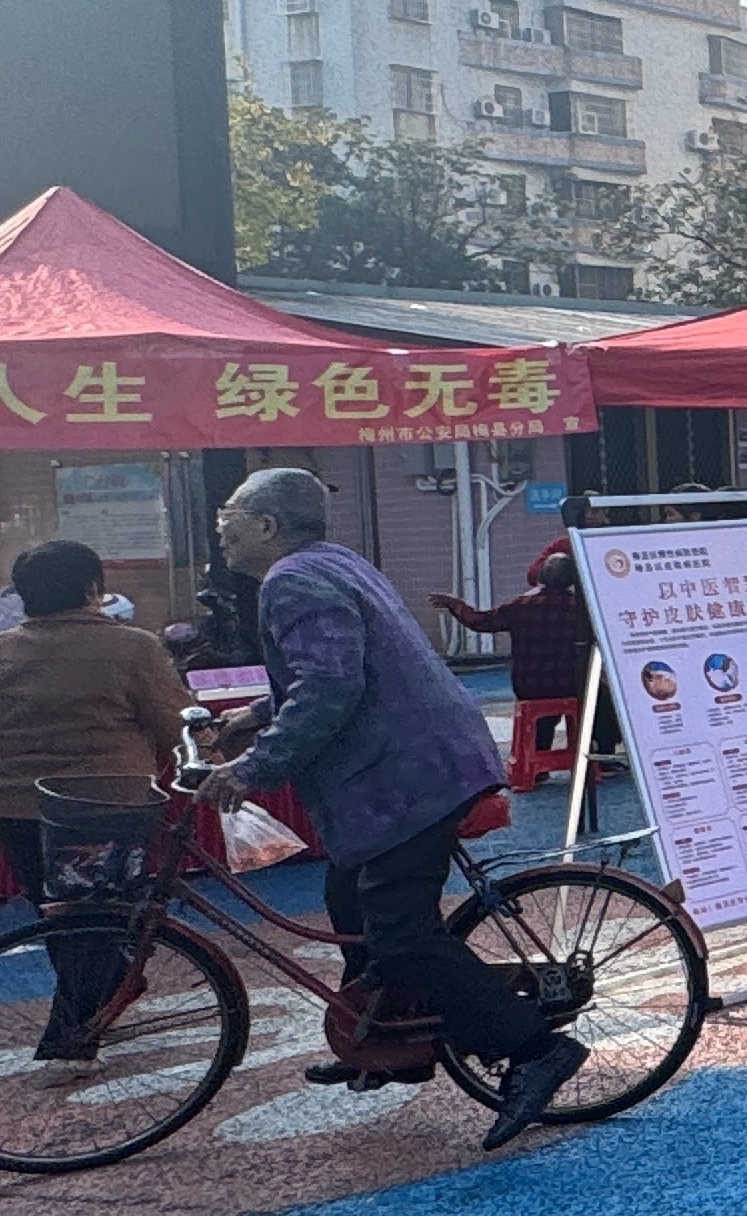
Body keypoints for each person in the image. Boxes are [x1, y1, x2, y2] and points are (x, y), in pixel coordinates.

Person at [195, 468, 584, 1146]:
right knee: (349, 898)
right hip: (420, 761)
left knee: (400, 931)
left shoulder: (292, 579)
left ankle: (532, 1049)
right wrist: (255, 716)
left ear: (266, 524)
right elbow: (334, 671)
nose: (220, 527)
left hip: (408, 776)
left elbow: (330, 685)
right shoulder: (333, 561)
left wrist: (253, 766)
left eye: (229, 512)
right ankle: (385, 1037)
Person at [0, 540, 193, 1050]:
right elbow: (174, 724)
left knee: (57, 918)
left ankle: (93, 1008)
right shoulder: (134, 647)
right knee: (101, 919)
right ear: (93, 589)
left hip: (21, 808)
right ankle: (75, 1031)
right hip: (111, 806)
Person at [432, 540, 594, 766]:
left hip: (529, 687)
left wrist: (454, 605)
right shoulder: (583, 609)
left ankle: (535, 763)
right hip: (572, 685)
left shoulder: (521, 606)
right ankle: (596, 757)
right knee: (595, 697)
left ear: (542, 576)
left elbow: (479, 621)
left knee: (540, 713)